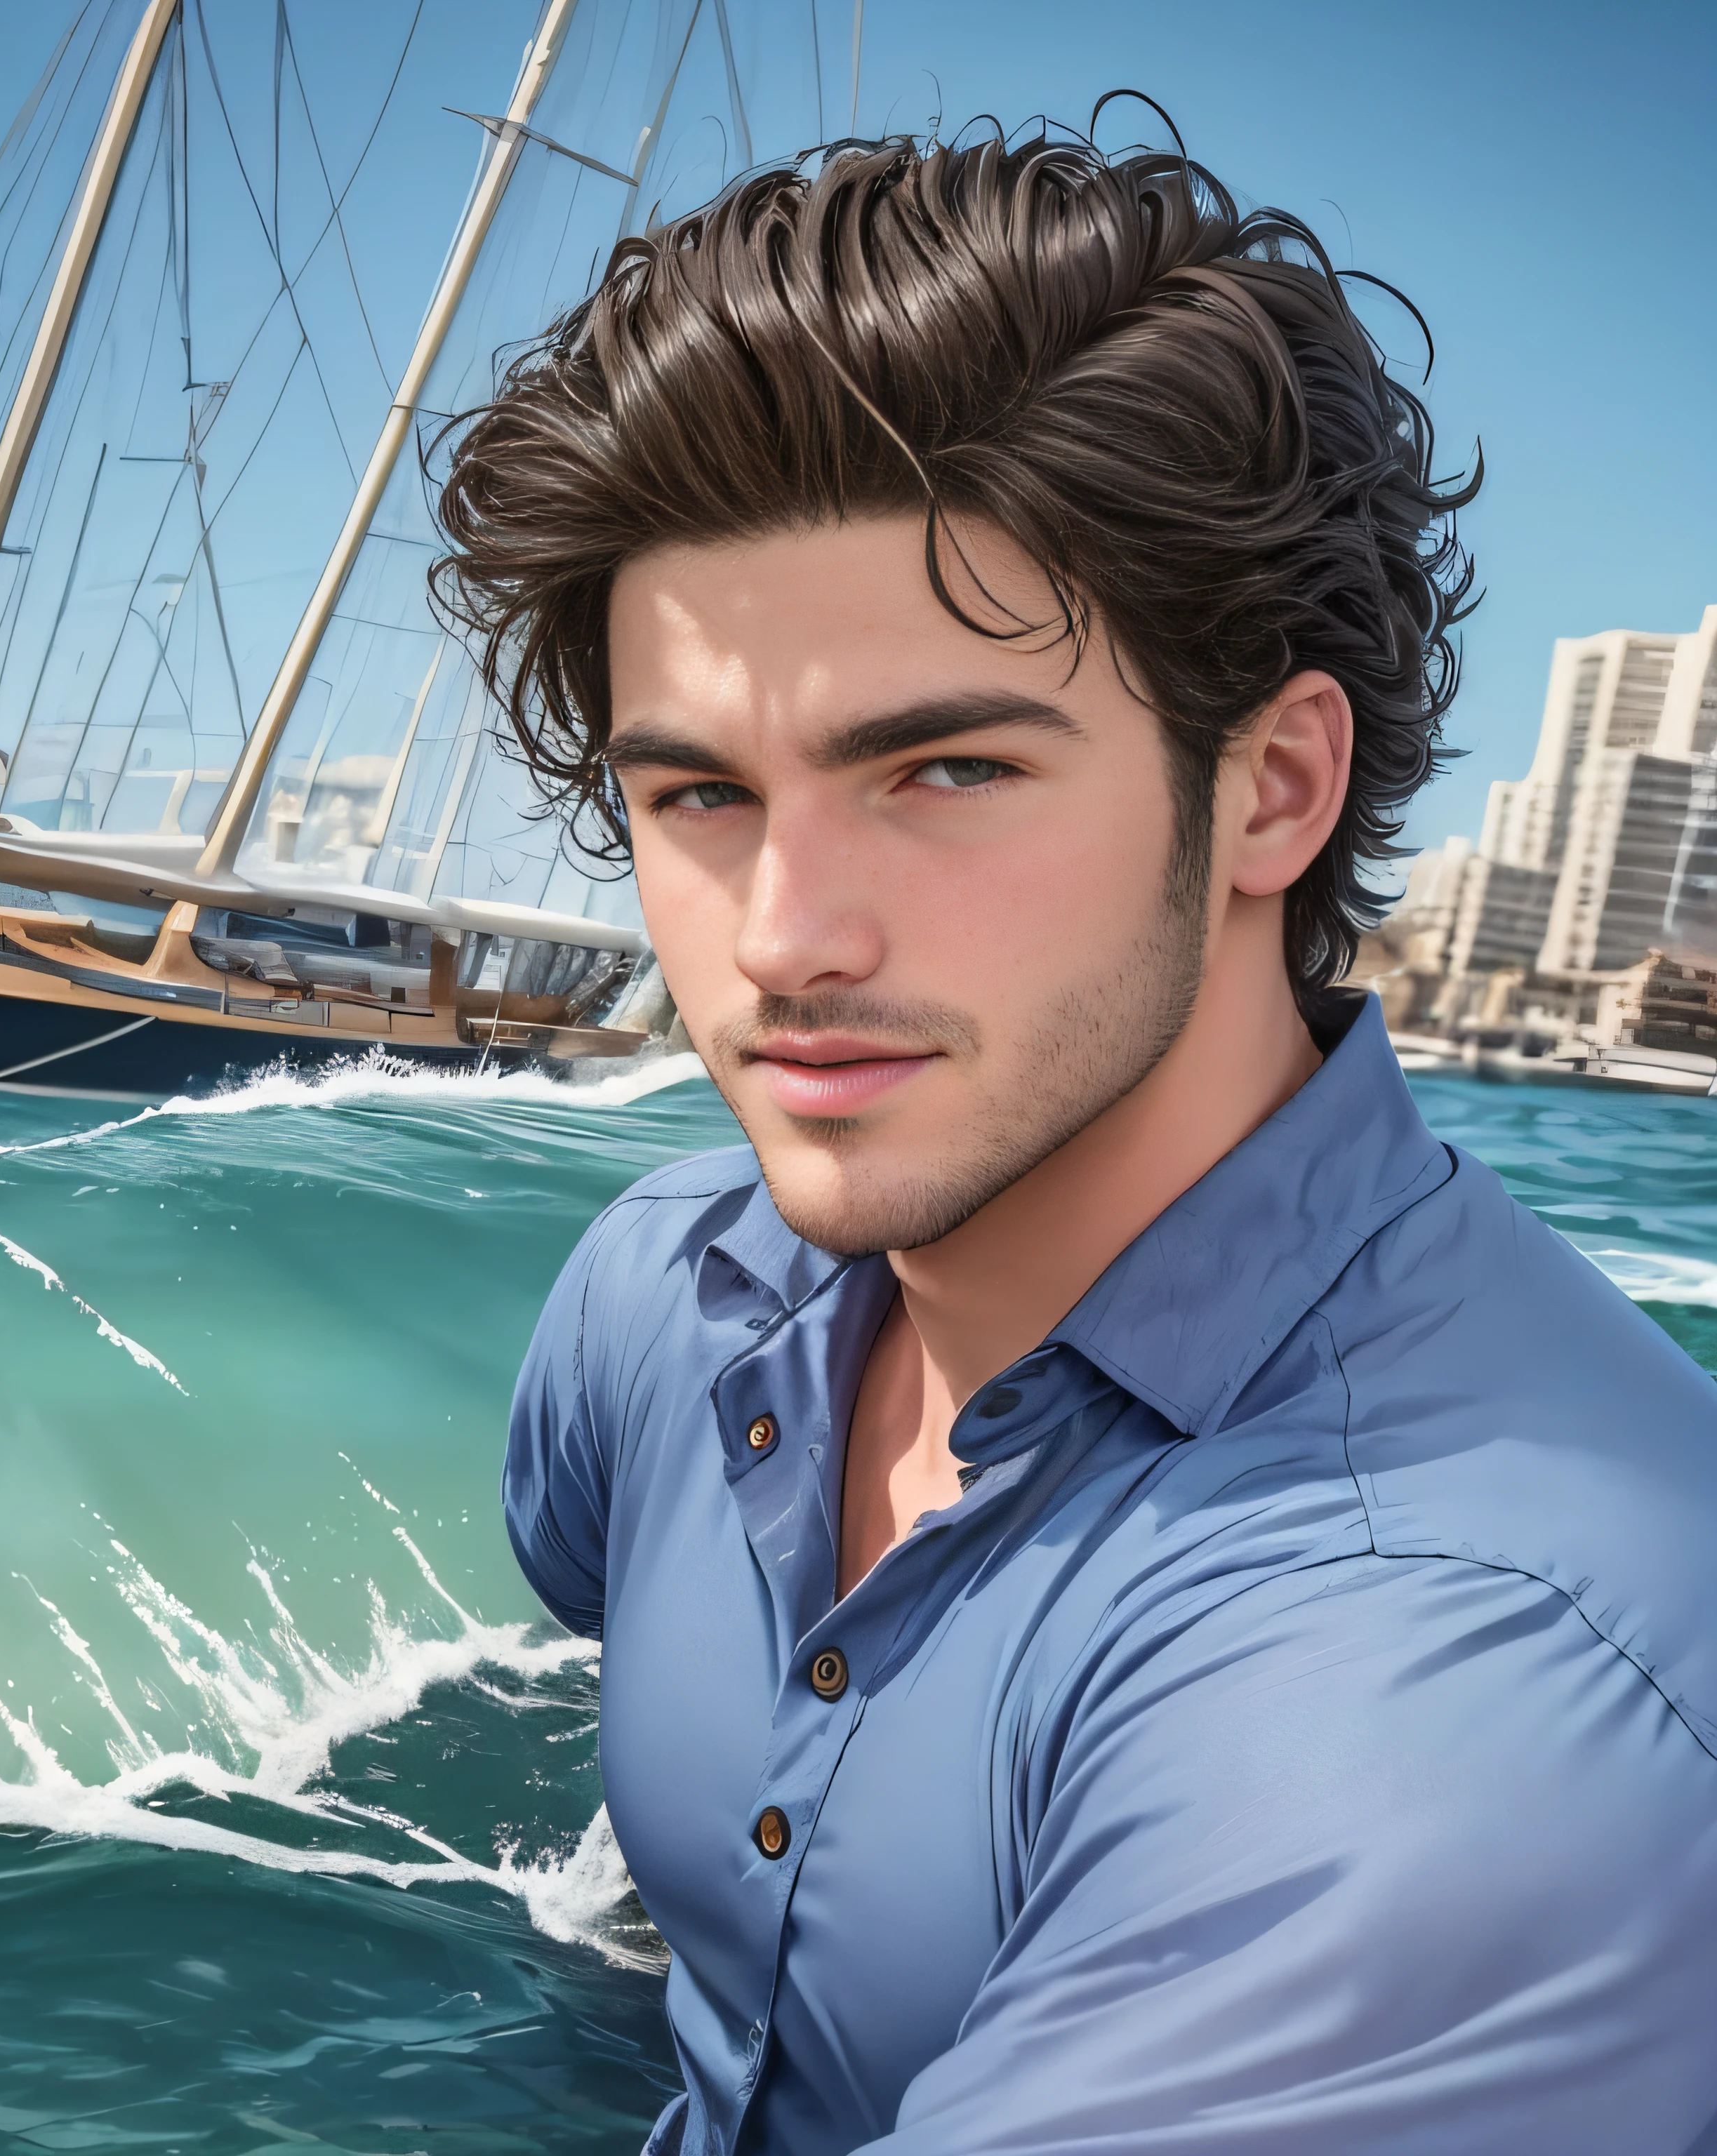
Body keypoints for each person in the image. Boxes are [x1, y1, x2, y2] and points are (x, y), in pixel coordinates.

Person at [432, 125, 1717, 2155]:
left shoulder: (1442, 1687)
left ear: (1276, 788)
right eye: (697, 798)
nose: (782, 939)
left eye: (944, 768)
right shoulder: (656, 1308)